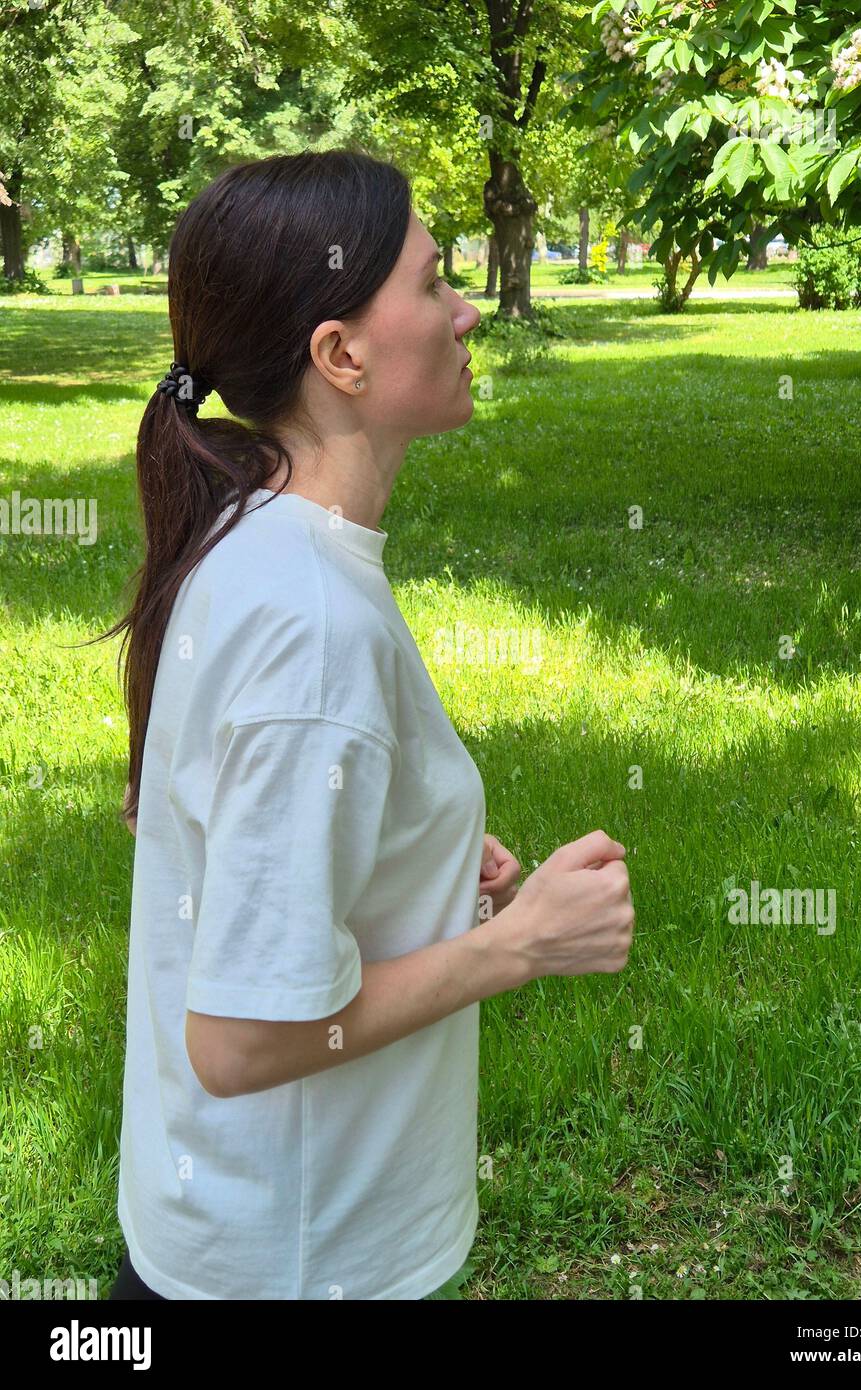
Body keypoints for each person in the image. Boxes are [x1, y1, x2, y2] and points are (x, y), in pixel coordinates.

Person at [98, 148, 634, 1300]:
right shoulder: (313, 623)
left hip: (222, 1235)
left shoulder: (251, 532)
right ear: (341, 355)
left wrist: (417, 858)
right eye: (436, 284)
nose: (469, 308)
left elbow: (233, 833)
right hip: (290, 1263)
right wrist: (518, 944)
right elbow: (239, 1041)